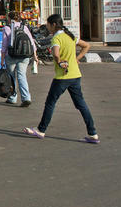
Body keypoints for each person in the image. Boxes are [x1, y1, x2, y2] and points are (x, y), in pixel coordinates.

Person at [23, 14, 99, 143]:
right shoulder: (69, 36)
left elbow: (56, 54)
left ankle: (41, 129)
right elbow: (86, 45)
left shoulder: (56, 38)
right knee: (81, 104)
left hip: (62, 77)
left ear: (53, 25)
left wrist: (59, 61)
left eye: (48, 25)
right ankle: (92, 133)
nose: (47, 27)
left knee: (50, 103)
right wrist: (76, 59)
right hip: (75, 75)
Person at [1, 11, 39, 106]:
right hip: (24, 56)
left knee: (11, 76)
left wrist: (2, 59)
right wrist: (35, 56)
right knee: (22, 75)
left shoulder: (7, 28)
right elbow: (31, 42)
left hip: (11, 56)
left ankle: (12, 98)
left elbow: (4, 45)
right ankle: (26, 98)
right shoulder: (24, 27)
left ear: (9, 19)